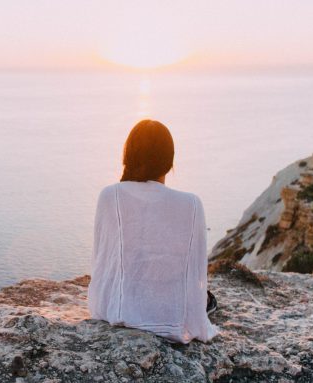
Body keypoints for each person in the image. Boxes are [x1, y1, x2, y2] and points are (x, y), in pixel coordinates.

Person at [87, 119, 220, 344]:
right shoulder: (192, 204)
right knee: (207, 299)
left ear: (128, 156)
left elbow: (101, 261)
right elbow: (196, 269)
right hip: (171, 311)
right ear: (168, 162)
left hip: (118, 310)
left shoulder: (110, 196)